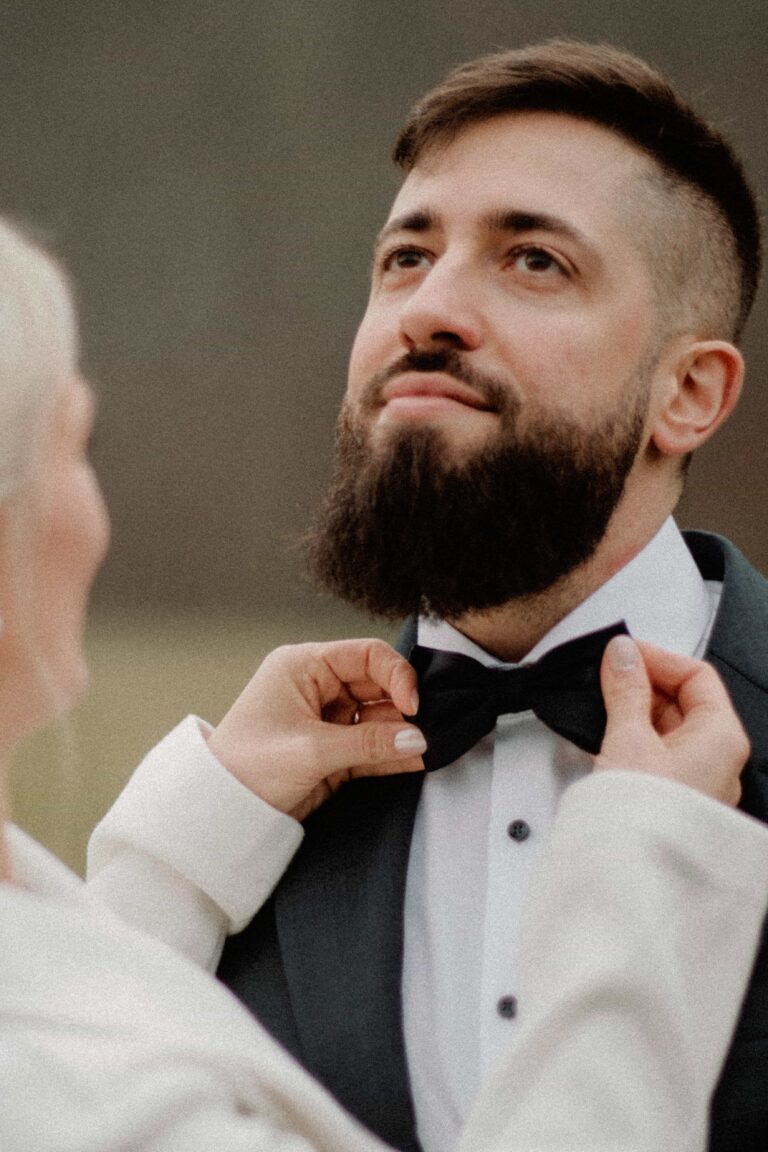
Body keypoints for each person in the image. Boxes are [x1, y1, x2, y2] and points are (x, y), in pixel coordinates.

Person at [86, 39, 768, 1152]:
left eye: (535, 261)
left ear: (689, 390)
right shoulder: (243, 822)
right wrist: (196, 825)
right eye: (405, 258)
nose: (430, 310)